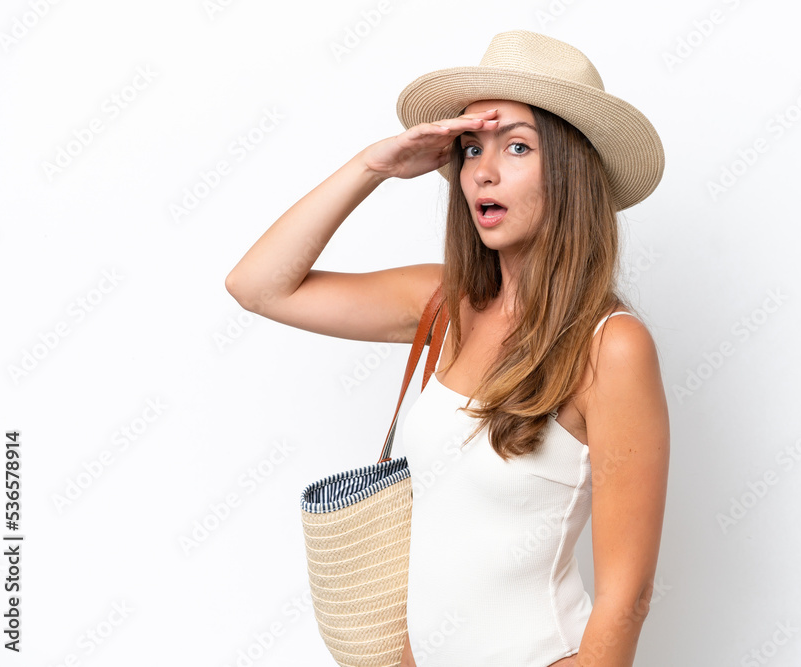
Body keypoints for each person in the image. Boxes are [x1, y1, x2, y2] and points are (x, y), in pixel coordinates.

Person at [226, 29, 670, 667]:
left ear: (572, 170)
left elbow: (627, 597)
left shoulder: (612, 346)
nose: (483, 170)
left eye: (517, 146)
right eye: (470, 148)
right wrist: (374, 167)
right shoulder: (444, 302)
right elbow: (258, 286)